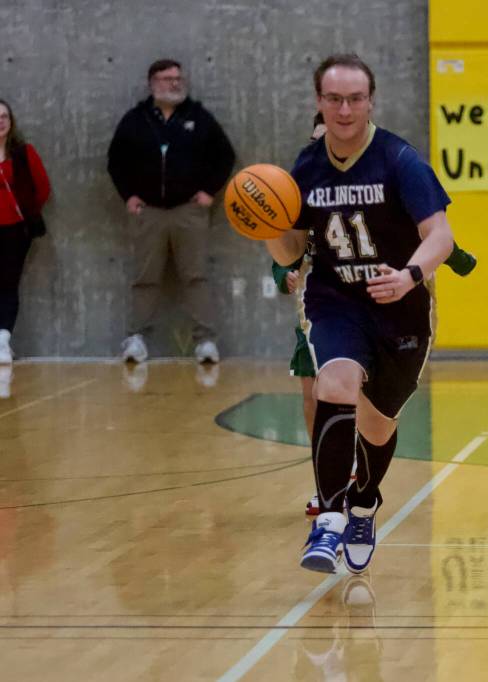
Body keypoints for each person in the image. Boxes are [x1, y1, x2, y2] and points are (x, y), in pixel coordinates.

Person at [266, 54, 455, 574]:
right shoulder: (304, 168)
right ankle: (327, 519)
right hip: (335, 300)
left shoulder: (399, 160)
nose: (344, 109)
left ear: (370, 101)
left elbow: (440, 236)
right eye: (333, 99)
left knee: (377, 423)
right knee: (335, 382)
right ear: (319, 103)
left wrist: (408, 276)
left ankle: (364, 501)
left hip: (401, 307)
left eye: (354, 99)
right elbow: (290, 253)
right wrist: (267, 226)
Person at [107, 58, 235, 364]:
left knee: (195, 276)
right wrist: (129, 195)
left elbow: (225, 155)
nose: (175, 83)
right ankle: (136, 339)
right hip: (148, 212)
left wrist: (209, 191)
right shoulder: (136, 119)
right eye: (167, 79)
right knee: (145, 277)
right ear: (153, 84)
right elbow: (116, 161)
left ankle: (205, 342)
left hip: (188, 212)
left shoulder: (198, 117)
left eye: (178, 78)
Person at [0, 99, 51, 365]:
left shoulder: (23, 152)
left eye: (4, 116)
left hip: (15, 230)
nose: (0, 121)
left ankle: (2, 340)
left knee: (7, 284)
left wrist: (25, 212)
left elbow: (41, 187)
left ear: (11, 121)